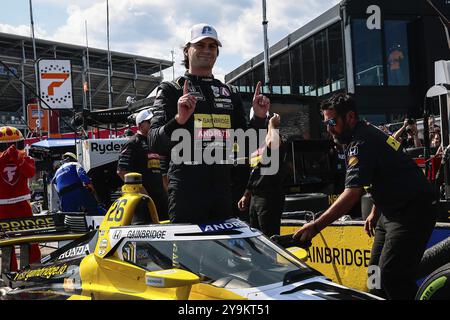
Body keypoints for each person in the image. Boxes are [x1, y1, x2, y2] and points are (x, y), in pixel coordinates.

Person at [293, 93, 436, 300]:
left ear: (350, 117)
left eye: (332, 122)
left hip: (413, 211)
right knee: (374, 275)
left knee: (392, 275)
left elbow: (352, 194)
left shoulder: (362, 142)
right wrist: (375, 212)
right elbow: (384, 174)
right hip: (389, 211)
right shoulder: (366, 133)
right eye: (325, 123)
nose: (328, 128)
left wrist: (316, 226)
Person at [148, 23, 270, 223]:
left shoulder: (229, 93)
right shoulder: (171, 89)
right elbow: (154, 142)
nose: (206, 50)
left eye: (212, 46)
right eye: (200, 45)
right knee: (187, 254)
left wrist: (258, 118)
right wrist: (178, 121)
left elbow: (247, 146)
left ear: (217, 52)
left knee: (223, 254)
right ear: (187, 50)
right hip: (186, 192)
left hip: (222, 191)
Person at [238, 113, 286, 237]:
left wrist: (272, 124)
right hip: (255, 197)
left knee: (269, 236)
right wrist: (246, 195)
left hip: (270, 195)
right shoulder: (257, 144)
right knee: (256, 235)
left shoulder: (274, 136)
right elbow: (255, 171)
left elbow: (273, 143)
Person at [0, 126, 41, 271]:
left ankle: (33, 269)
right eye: (5, 146)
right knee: (6, 242)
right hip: (2, 207)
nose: (13, 148)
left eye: (17, 145)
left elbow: (30, 173)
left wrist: (18, 158)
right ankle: (9, 272)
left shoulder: (26, 158)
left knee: (30, 239)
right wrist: (6, 155)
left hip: (22, 204)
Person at [117, 108, 169, 221]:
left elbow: (163, 172)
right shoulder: (132, 143)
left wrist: (168, 193)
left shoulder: (157, 142)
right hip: (142, 200)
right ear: (140, 125)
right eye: (149, 122)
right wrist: (141, 191)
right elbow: (121, 171)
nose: (152, 124)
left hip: (161, 198)